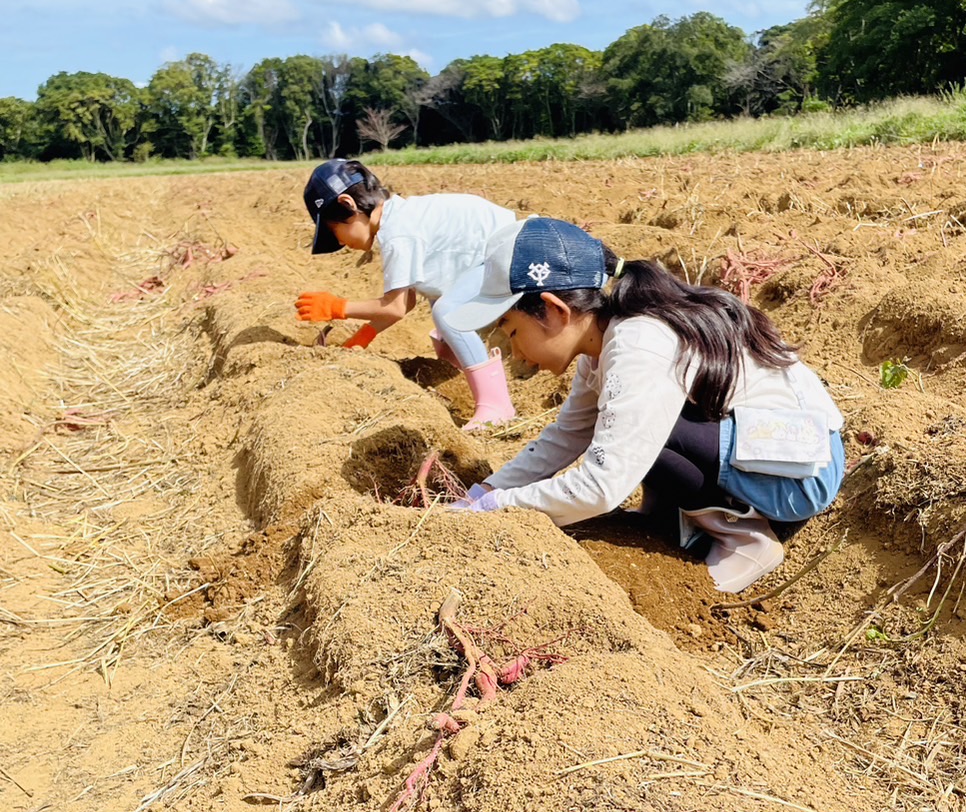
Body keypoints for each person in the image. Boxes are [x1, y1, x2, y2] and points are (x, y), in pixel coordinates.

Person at [443, 217, 844, 593]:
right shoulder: (601, 344)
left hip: (801, 472)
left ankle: (743, 539)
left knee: (637, 428)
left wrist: (498, 507)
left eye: (513, 331)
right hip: (761, 447)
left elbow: (602, 488)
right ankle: (671, 519)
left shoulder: (639, 345)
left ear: (554, 310)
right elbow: (566, 435)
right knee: (625, 421)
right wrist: (487, 489)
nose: (515, 352)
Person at [295, 159, 518, 429]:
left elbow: (394, 307)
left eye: (335, 232)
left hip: (513, 252)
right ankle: (458, 379)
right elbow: (407, 300)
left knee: (447, 313)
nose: (342, 243)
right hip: (499, 255)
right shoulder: (399, 219)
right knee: (444, 313)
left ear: (347, 205)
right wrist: (363, 336)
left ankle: (497, 407)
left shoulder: (399, 234)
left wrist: (338, 307)